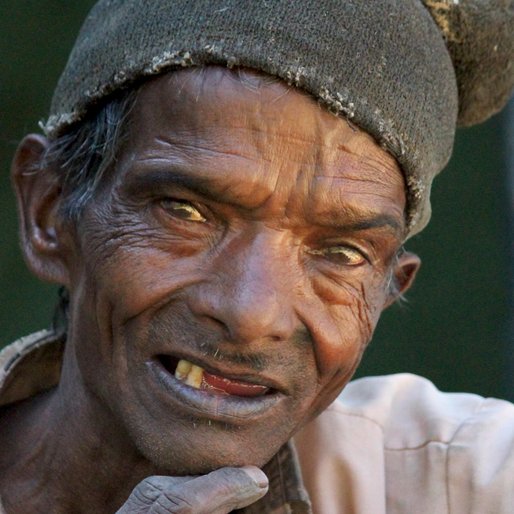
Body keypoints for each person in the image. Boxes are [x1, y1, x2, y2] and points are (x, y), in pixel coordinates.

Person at [1, 1, 513, 513]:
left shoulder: (450, 481)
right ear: (49, 213)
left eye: (341, 253)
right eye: (187, 212)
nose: (251, 314)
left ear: (386, 289)